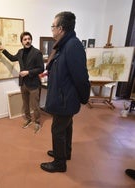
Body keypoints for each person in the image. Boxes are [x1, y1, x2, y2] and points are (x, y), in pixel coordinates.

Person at [40, 11, 90, 172]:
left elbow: (81, 76)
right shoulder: (64, 44)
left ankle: (59, 163)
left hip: (65, 99)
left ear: (61, 28)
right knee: (66, 127)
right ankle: (65, 152)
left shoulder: (72, 45)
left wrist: (84, 98)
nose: (52, 29)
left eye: (53, 26)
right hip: (63, 97)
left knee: (58, 129)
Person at [0, 31, 44, 133]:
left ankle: (37, 122)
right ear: (22, 42)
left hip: (33, 84)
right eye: (25, 39)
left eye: (29, 39)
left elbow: (41, 68)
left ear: (31, 40)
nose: (27, 41)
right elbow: (12, 58)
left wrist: (28, 72)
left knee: (35, 105)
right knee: (26, 104)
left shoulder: (37, 53)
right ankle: (28, 119)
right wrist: (3, 50)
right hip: (23, 83)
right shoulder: (20, 52)